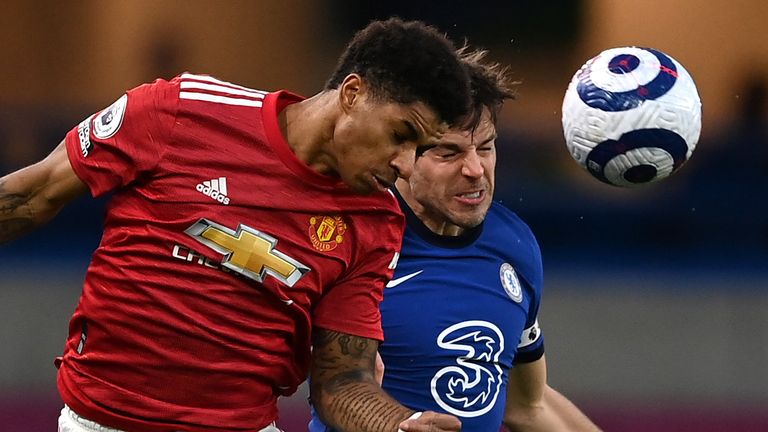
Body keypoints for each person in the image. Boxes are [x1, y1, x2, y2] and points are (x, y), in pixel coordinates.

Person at [0, 18, 471, 432]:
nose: (406, 165)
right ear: (352, 94)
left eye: (420, 149)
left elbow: (341, 380)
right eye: (401, 135)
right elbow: (30, 197)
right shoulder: (179, 110)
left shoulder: (376, 220)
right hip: (103, 422)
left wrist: (396, 425)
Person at [310, 48, 602, 431]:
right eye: (449, 153)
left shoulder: (515, 245)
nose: (475, 170)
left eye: (486, 147)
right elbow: (330, 383)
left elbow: (526, 404)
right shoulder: (352, 237)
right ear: (400, 152)